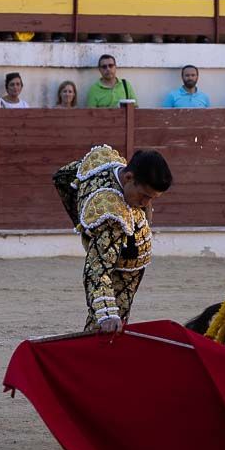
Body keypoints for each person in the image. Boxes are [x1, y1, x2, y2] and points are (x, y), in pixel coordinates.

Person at [50, 144, 171, 343]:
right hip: (122, 269)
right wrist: (106, 312)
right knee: (107, 330)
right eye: (144, 196)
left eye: (152, 199)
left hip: (124, 253)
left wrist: (83, 221)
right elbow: (97, 270)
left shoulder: (104, 162)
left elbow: (64, 176)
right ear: (129, 178)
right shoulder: (112, 217)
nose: (146, 203)